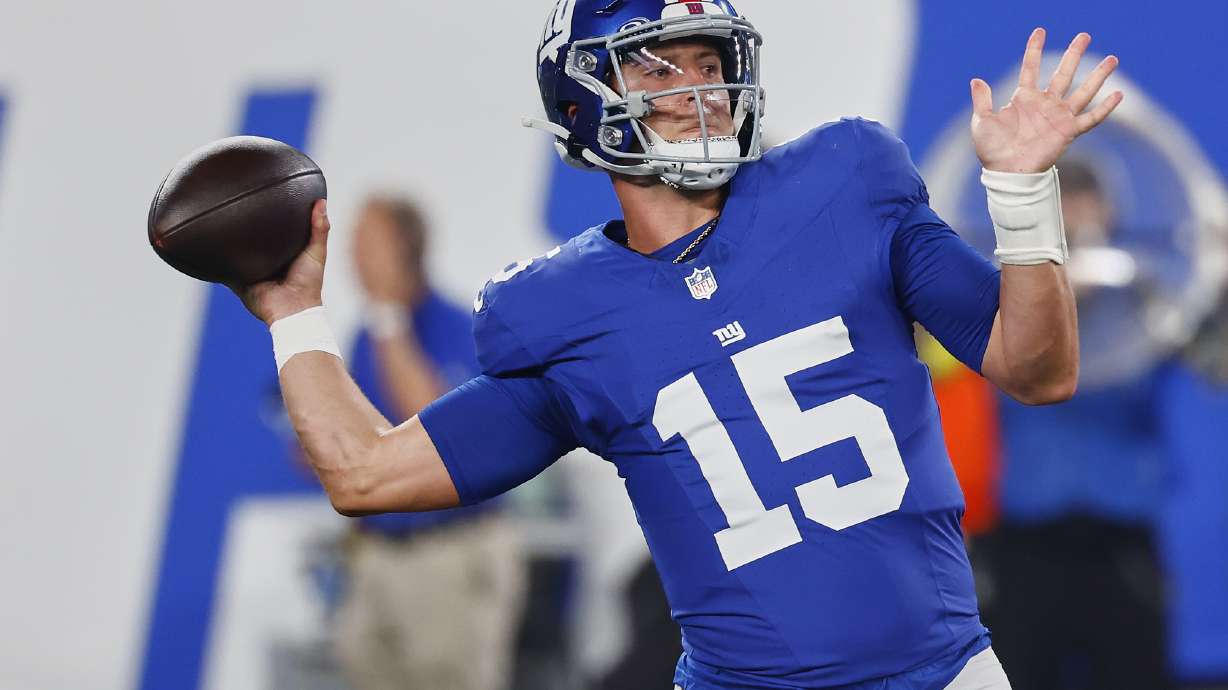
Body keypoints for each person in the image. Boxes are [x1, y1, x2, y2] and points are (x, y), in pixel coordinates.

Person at [231, 2, 1122, 687]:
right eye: (660, 66)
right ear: (588, 97)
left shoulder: (846, 183)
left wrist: (1022, 197)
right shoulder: (559, 311)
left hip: (942, 672)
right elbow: (365, 474)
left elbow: (1038, 370)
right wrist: (293, 312)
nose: (698, 87)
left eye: (710, 61)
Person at [975, 161, 1172, 690]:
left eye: (1087, 199)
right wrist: (1054, 297)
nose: (1077, 213)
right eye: (1065, 200)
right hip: (1026, 541)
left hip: (1120, 541)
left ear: (1110, 212)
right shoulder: (1003, 299)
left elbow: (1216, 366)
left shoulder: (1149, 302)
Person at [330, 196, 525, 690]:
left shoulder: (461, 326)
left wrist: (391, 318)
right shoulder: (366, 337)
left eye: (367, 243)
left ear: (405, 248)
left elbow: (441, 432)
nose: (353, 257)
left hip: (449, 554)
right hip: (379, 553)